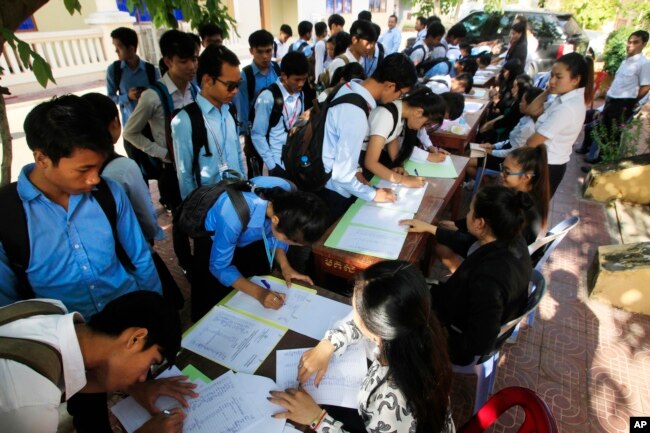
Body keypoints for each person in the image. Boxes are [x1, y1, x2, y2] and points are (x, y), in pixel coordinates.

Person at [0, 95, 163, 433]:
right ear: (42, 159)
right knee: (88, 414)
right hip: (69, 348)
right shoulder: (8, 215)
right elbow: (8, 304)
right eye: (83, 169)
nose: (93, 180)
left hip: (124, 325)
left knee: (144, 388)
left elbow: (139, 259)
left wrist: (155, 318)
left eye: (98, 168)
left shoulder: (109, 193)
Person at [270, 260, 454, 433]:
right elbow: (359, 325)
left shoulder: (391, 399)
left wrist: (317, 419)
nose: (353, 316)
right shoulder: (419, 327)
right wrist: (329, 344)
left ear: (377, 329)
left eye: (357, 311)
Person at [0, 291, 195, 433]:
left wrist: (132, 388)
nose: (143, 377)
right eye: (151, 362)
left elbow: (73, 377)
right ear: (135, 338)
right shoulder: (30, 408)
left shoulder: (50, 310)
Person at [400, 185, 533, 366]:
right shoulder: (512, 236)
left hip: (454, 337)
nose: (467, 214)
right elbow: (470, 243)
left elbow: (479, 342)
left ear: (480, 223)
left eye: (470, 211)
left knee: (400, 299)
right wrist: (432, 229)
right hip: (462, 311)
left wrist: (434, 337)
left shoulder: (489, 280)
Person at [191, 177, 329, 321]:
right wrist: (259, 293)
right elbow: (219, 267)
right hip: (217, 241)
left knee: (251, 284)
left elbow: (275, 235)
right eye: (290, 241)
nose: (290, 244)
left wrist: (285, 265)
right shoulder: (232, 215)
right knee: (220, 302)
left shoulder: (287, 197)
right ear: (275, 220)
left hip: (251, 238)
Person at [317, 53, 418, 223]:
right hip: (333, 190)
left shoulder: (350, 86)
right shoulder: (355, 113)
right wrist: (374, 195)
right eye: (400, 94)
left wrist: (356, 172)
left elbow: (338, 143)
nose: (398, 99)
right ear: (390, 86)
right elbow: (342, 175)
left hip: (327, 177)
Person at [123, 29, 198, 212]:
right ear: (168, 61)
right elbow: (130, 132)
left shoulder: (194, 90)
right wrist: (162, 153)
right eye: (183, 61)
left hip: (196, 164)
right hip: (171, 171)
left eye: (194, 59)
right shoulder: (152, 96)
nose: (191, 66)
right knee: (180, 222)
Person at [81, 92, 164, 244]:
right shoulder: (124, 168)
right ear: (114, 123)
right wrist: (153, 233)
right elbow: (145, 216)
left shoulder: (72, 169)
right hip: (133, 246)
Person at [171, 45, 245, 200]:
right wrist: (195, 214)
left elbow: (238, 153)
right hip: (209, 206)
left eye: (238, 84)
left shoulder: (230, 110)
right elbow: (185, 176)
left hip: (237, 198)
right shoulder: (186, 120)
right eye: (230, 85)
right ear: (207, 80)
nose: (235, 91)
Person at [578, 30, 649, 167]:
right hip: (612, 101)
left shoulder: (644, 63)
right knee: (603, 131)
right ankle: (597, 161)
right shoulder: (625, 61)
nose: (630, 45)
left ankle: (605, 166)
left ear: (644, 44)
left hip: (624, 103)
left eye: (635, 42)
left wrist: (631, 102)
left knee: (613, 136)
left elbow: (646, 87)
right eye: (629, 42)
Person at [526, 52, 593, 196]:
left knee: (531, 212)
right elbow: (531, 110)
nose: (552, 81)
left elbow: (532, 142)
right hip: (546, 164)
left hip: (547, 166)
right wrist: (548, 90)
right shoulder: (563, 99)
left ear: (575, 80)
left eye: (558, 77)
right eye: (552, 75)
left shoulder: (567, 108)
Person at [106, 27, 160, 181]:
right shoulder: (114, 70)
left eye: (119, 47)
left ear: (131, 48)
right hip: (131, 127)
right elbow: (110, 98)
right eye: (115, 47)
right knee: (137, 169)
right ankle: (145, 197)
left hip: (151, 127)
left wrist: (148, 94)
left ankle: (165, 197)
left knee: (157, 164)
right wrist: (126, 97)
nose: (116, 51)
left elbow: (160, 94)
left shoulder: (150, 70)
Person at [362, 87, 447, 185]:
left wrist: (398, 165)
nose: (421, 128)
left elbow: (392, 139)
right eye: (424, 124)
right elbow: (370, 163)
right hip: (358, 165)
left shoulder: (399, 113)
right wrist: (404, 180)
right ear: (418, 112)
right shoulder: (386, 116)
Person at [252, 51, 309, 177]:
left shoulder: (300, 94)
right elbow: (257, 135)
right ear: (284, 76)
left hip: (294, 160)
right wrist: (272, 166)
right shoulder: (267, 97)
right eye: (297, 80)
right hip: (276, 162)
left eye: (304, 79)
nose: (301, 84)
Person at [235, 29, 281, 178]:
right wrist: (247, 139)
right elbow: (242, 108)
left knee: (277, 168)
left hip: (275, 132)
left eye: (269, 51)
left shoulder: (277, 70)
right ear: (251, 51)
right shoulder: (246, 75)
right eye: (260, 52)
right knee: (255, 172)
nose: (265, 56)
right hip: (255, 133)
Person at [469, 86, 545, 177]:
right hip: (504, 153)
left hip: (507, 161)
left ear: (531, 105)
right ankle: (484, 181)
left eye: (522, 101)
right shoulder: (526, 118)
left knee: (467, 162)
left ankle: (483, 184)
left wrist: (491, 152)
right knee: (469, 153)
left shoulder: (529, 127)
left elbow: (513, 152)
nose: (519, 104)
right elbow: (510, 141)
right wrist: (493, 146)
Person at [479, 73, 532, 142]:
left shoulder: (520, 105)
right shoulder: (517, 100)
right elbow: (505, 115)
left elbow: (506, 121)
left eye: (514, 87)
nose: (512, 89)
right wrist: (489, 123)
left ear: (521, 89)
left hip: (506, 134)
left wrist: (488, 125)